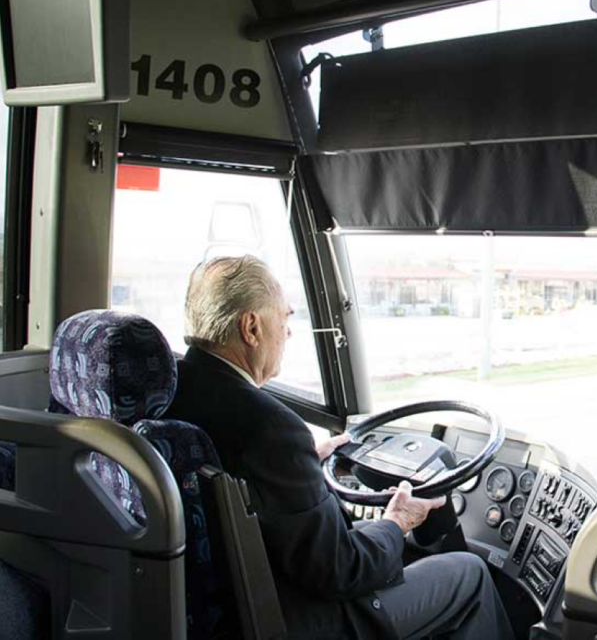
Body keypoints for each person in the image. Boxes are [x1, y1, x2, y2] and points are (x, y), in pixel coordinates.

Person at [163, 255, 515, 640]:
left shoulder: (170, 394)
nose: (288, 332)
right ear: (251, 327)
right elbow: (341, 570)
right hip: (297, 619)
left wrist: (304, 465)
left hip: (214, 612)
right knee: (470, 572)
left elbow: (252, 488)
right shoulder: (270, 427)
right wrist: (398, 523)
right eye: (284, 318)